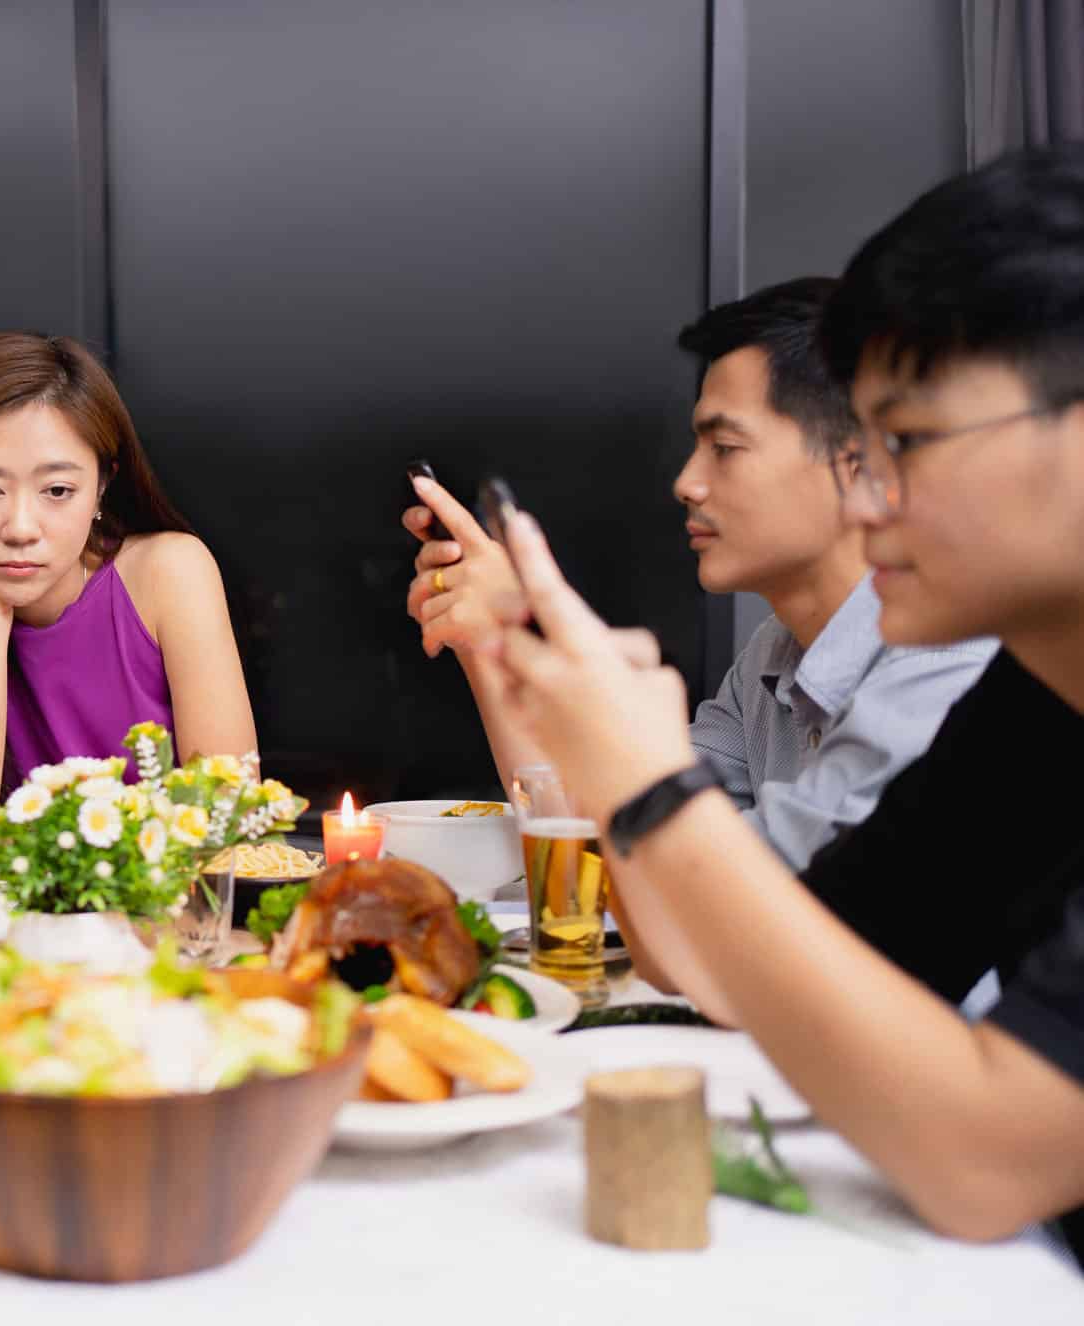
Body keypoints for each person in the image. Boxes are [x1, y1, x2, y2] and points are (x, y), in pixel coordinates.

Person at [473, 147, 1084, 1256]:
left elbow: (989, 1161)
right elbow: (728, 970)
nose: (872, 494)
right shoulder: (1036, 702)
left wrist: (656, 791)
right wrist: (613, 768)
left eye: (907, 442)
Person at [404, 279, 995, 875]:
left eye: (726, 447)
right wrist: (491, 643)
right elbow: (604, 840)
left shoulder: (944, 672)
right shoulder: (774, 654)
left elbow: (710, 898)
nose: (687, 482)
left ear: (854, 460)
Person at [0, 332, 257, 847]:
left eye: (57, 490)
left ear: (102, 485)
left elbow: (231, 825)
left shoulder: (169, 572)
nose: (20, 527)